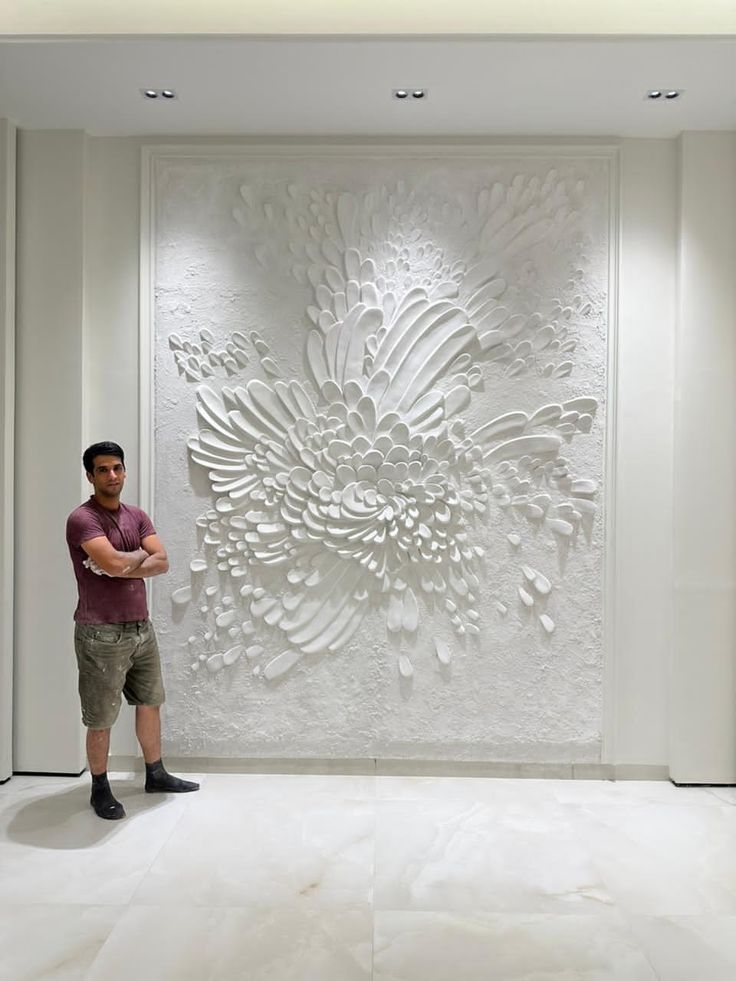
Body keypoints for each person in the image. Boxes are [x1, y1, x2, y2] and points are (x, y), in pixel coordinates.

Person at [66, 440, 199, 820]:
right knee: (101, 716)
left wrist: (126, 561)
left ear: (124, 471)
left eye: (117, 468)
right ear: (90, 476)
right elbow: (112, 563)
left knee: (150, 702)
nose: (112, 475)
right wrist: (131, 559)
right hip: (100, 632)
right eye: (103, 470)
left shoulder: (137, 515)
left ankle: (155, 774)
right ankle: (100, 788)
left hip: (141, 627)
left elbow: (162, 561)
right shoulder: (83, 519)